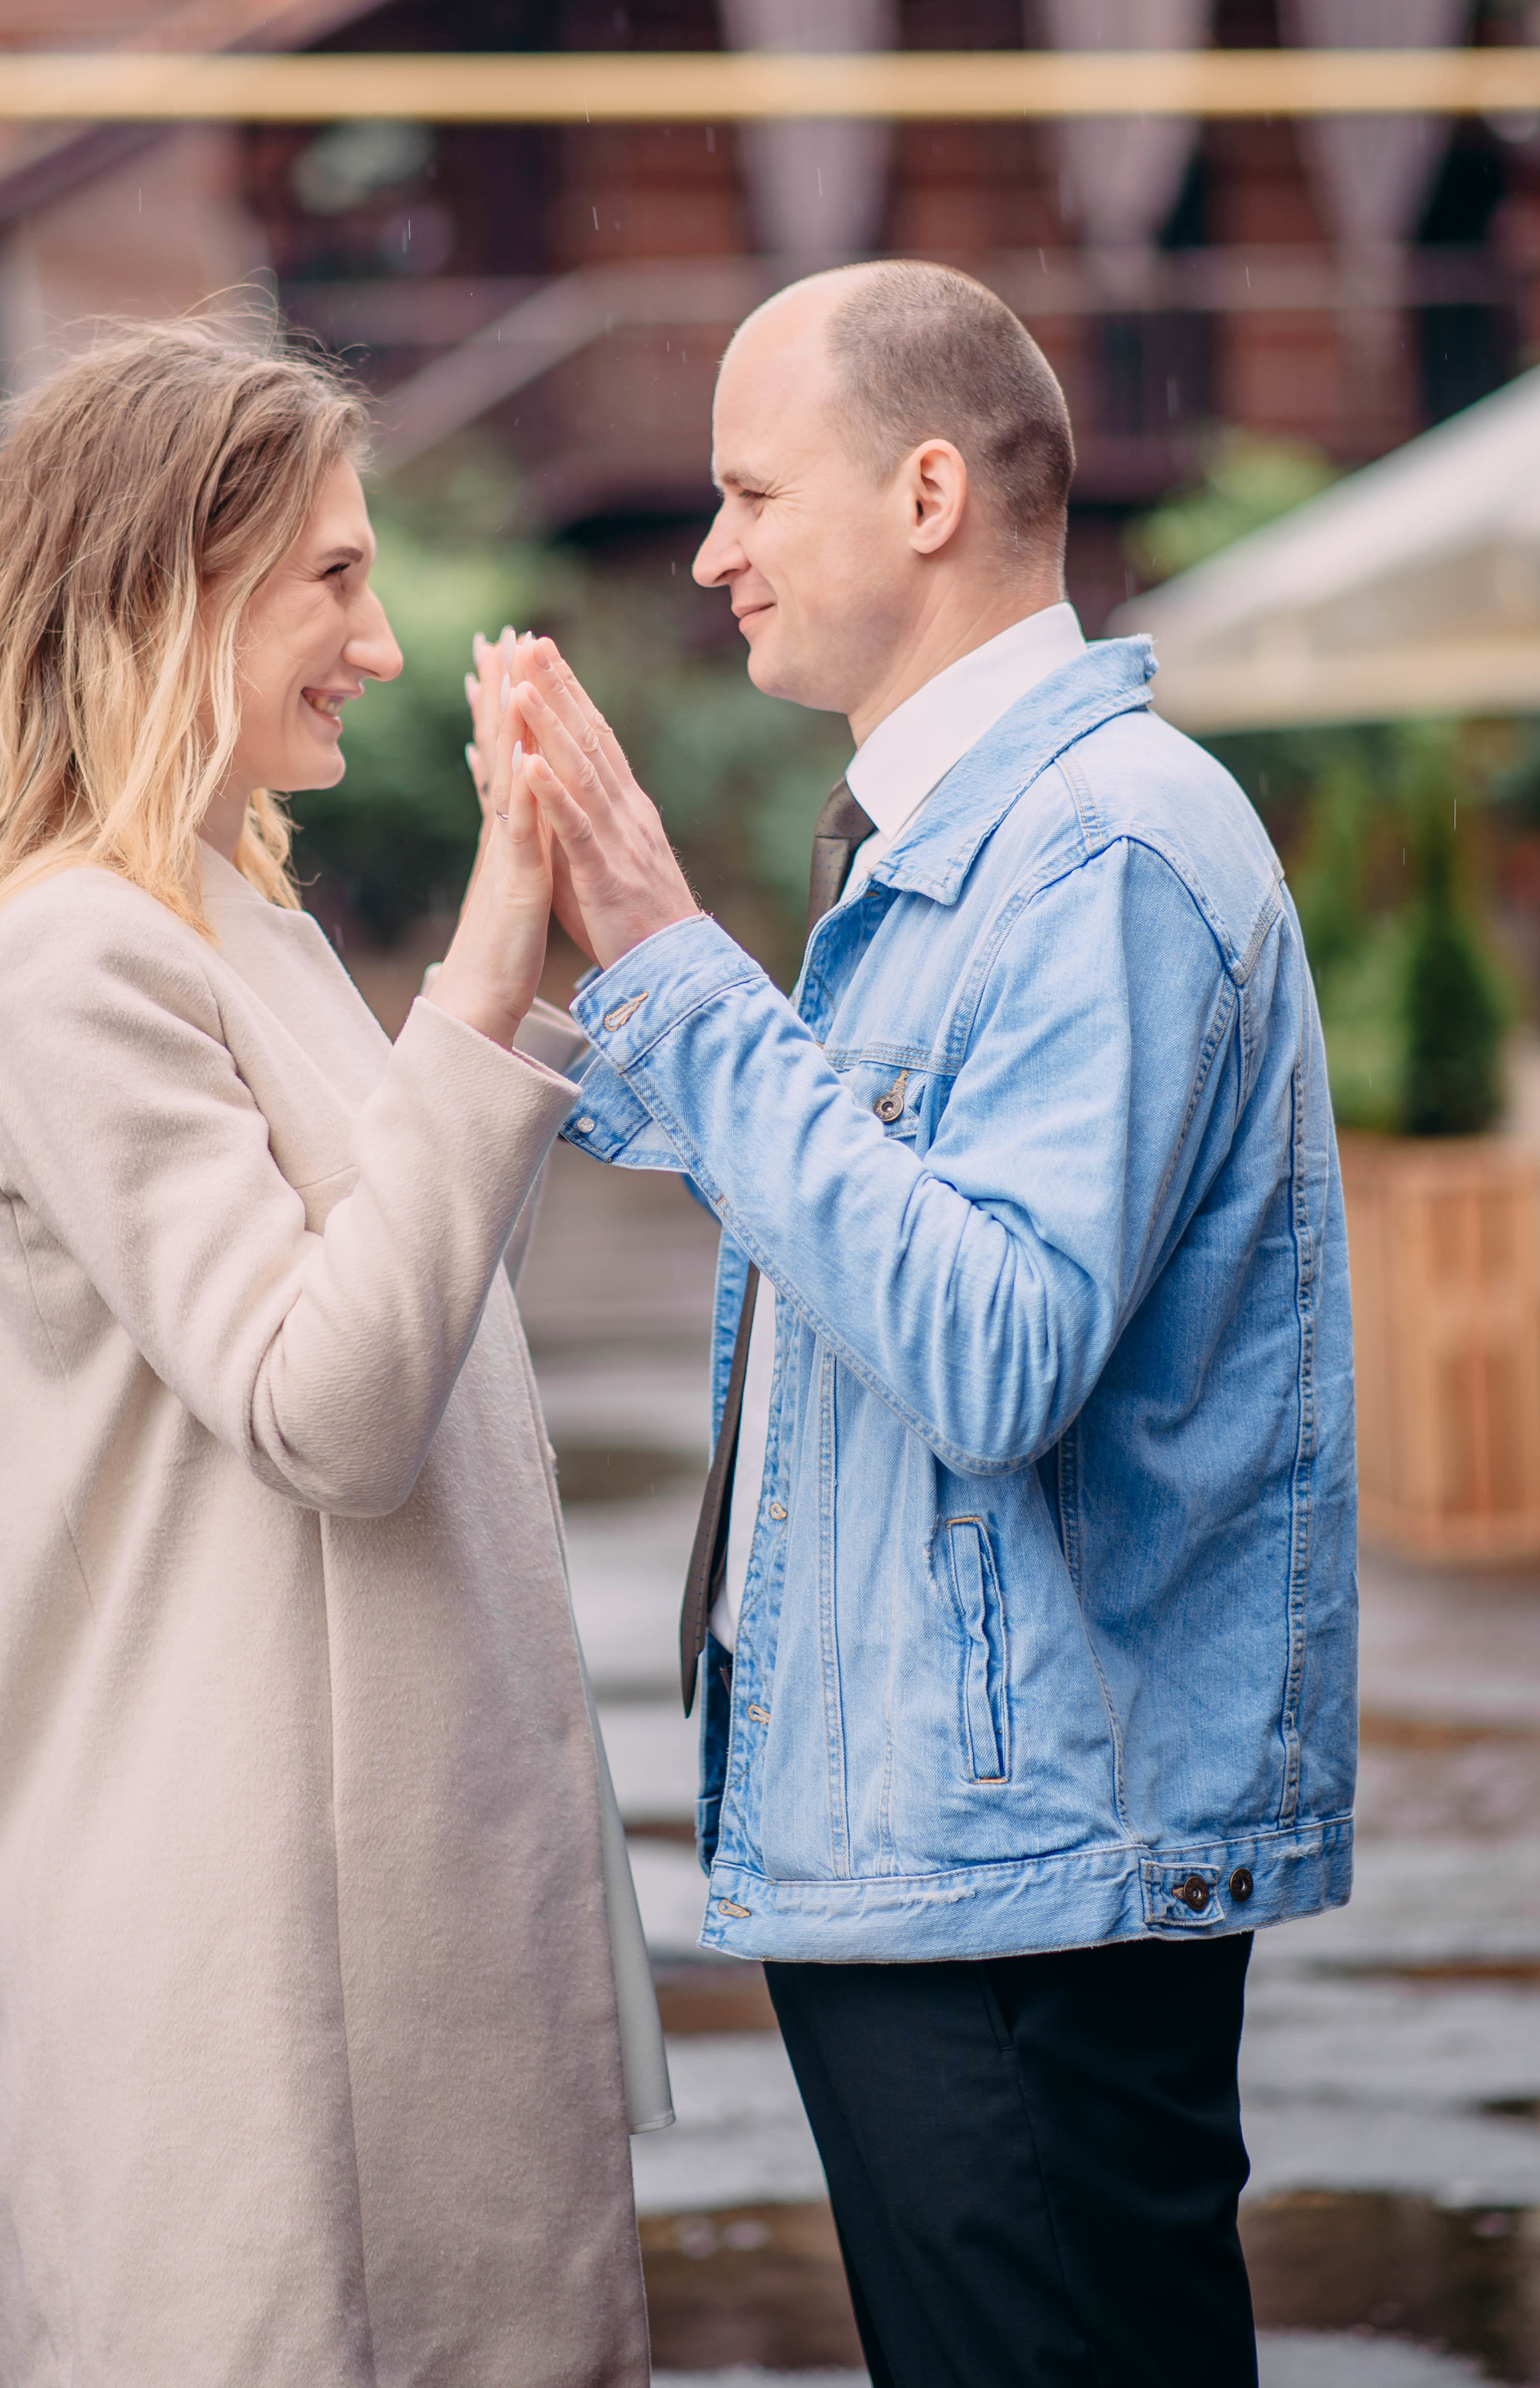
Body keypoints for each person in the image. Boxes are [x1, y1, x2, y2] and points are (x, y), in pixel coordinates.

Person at [496, 261, 1356, 2388]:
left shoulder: (1108, 851)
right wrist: (510, 1026)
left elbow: (989, 1343)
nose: (710, 554)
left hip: (1030, 1880)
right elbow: (866, 1203)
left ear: (929, 490)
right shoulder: (966, 837)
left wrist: (670, 953)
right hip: (954, 1860)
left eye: (750, 492)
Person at [0, 323, 664, 2388]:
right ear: (166, 584)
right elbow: (333, 1404)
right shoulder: (71, 954)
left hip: (376, 1953)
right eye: (332, 576)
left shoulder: (225, 912)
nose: (381, 643)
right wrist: (496, 950)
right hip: (258, 1985)